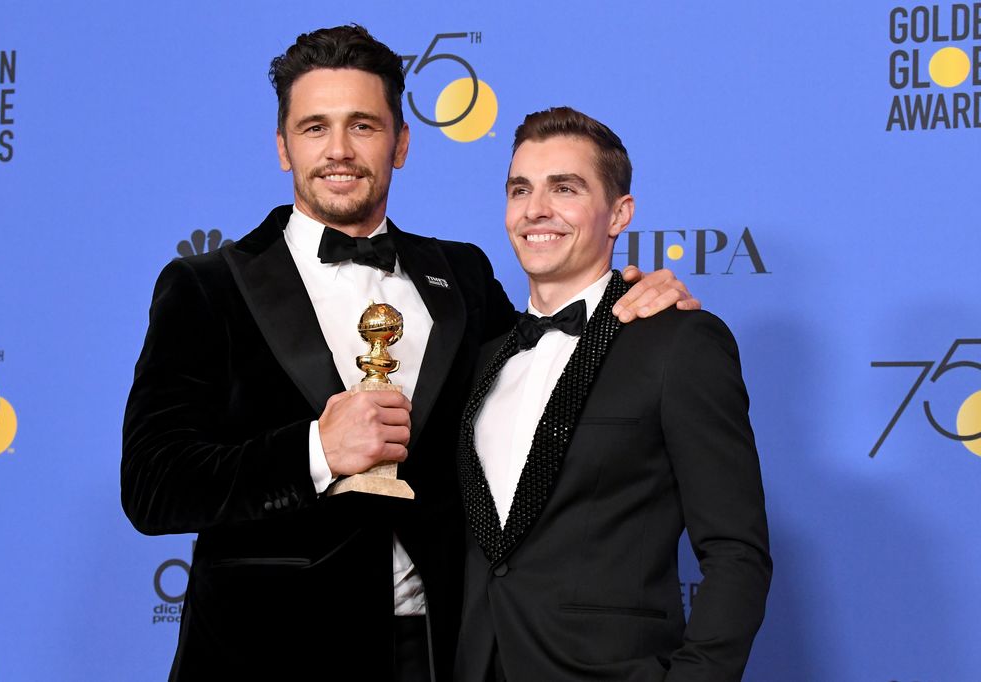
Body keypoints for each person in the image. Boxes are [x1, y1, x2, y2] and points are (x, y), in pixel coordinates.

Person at [121, 26, 697, 682]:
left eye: (363, 126)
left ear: (402, 143)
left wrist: (620, 302)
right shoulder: (208, 288)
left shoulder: (462, 276)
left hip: (439, 648)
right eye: (315, 128)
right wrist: (315, 450)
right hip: (270, 653)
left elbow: (548, 384)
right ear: (282, 147)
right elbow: (152, 485)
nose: (338, 150)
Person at [455, 107, 771, 682]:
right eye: (520, 189)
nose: (536, 209)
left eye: (565, 188)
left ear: (619, 214)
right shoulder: (481, 357)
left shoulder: (679, 343)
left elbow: (736, 551)